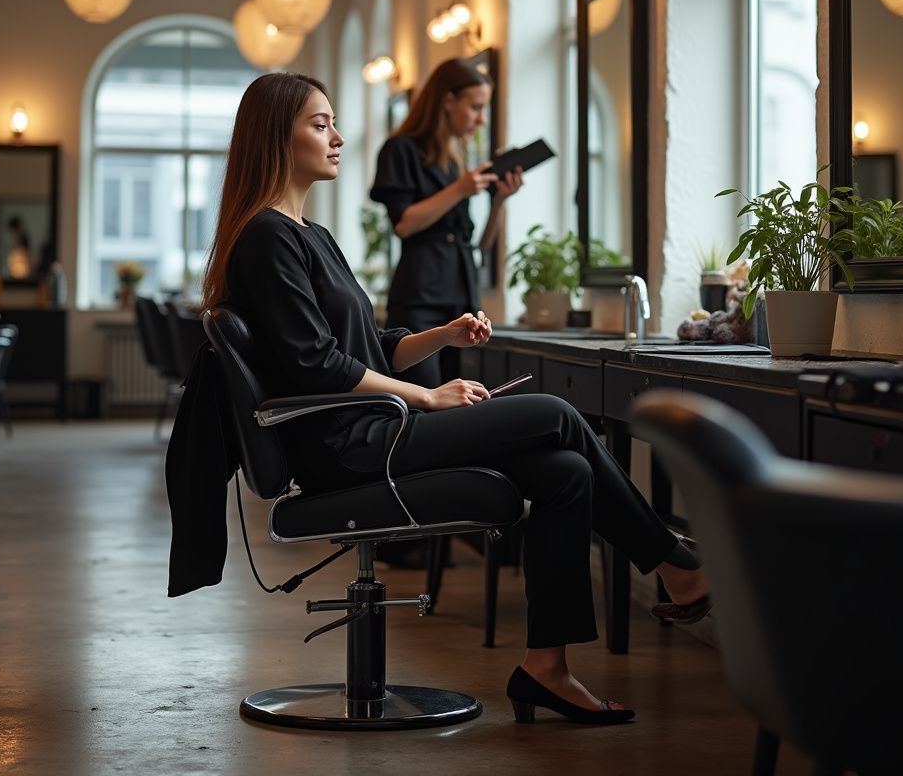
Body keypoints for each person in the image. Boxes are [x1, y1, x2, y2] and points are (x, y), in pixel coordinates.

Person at [201, 72, 710, 725]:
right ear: (278, 136)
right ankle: (672, 560)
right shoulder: (267, 238)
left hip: (368, 431)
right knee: (555, 413)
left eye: (332, 123)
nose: (339, 137)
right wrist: (426, 396)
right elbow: (316, 364)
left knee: (566, 472)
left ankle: (546, 669)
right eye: (320, 124)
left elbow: (365, 346)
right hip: (348, 448)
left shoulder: (311, 236)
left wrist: (440, 335)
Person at [370, 58, 522, 388]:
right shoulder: (400, 150)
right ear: (448, 100)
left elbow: (477, 247)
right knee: (426, 401)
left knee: (460, 403)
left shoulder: (452, 163)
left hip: (460, 299)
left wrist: (498, 203)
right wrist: (460, 189)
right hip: (419, 300)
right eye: (476, 107)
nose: (481, 119)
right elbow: (404, 225)